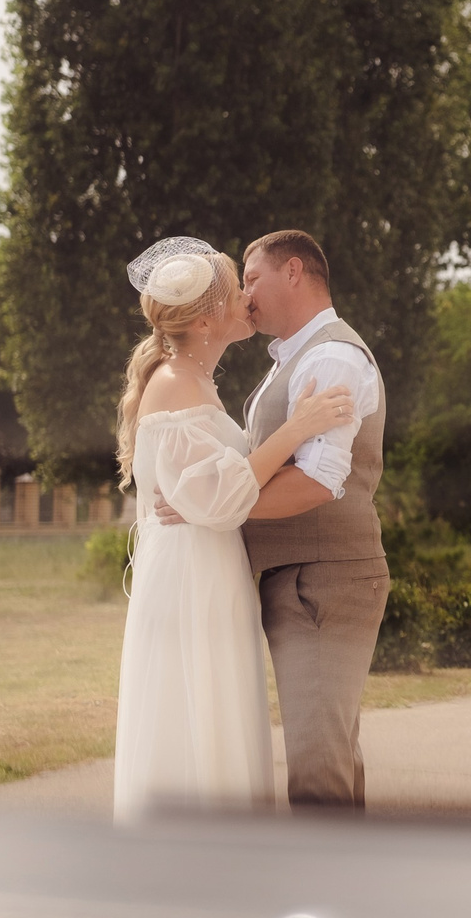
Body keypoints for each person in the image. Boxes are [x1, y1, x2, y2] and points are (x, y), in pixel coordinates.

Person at [112, 239, 353, 821]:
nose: (248, 297)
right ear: (204, 319)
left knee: (217, 709)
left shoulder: (196, 379)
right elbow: (219, 496)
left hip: (212, 566)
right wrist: (298, 428)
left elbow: (211, 495)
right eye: (234, 288)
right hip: (190, 577)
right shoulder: (174, 382)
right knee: (194, 712)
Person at [154, 227, 387, 808]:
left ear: (294, 273)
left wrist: (212, 508)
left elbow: (317, 481)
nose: (245, 294)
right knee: (329, 754)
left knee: (316, 764)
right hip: (304, 576)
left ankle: (323, 891)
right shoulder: (297, 358)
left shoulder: (331, 356)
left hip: (324, 580)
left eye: (251, 278)